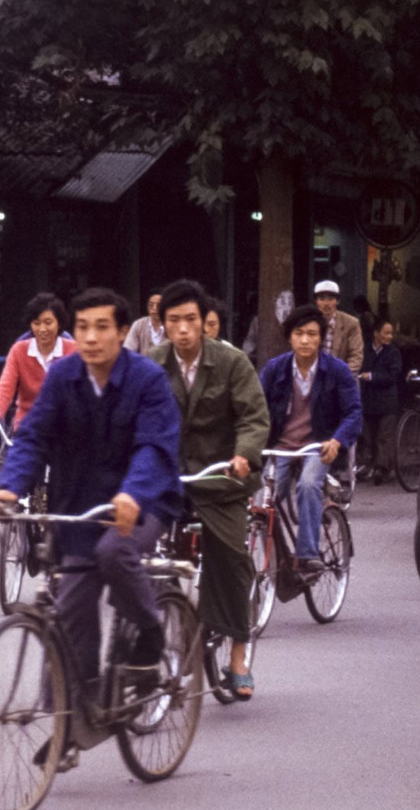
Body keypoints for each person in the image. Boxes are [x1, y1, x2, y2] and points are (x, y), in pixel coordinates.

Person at [0, 288, 183, 714]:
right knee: (73, 601)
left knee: (114, 552)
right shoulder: (63, 376)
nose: (91, 338)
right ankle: (77, 713)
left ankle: (151, 631)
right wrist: (11, 485)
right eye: (83, 328)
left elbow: (155, 446)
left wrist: (133, 492)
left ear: (121, 332)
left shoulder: (146, 379)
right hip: (79, 503)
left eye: (102, 327)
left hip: (145, 500)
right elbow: (35, 434)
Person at [148, 280, 268, 699]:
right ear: (161, 324)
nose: (183, 329)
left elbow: (254, 417)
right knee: (131, 548)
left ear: (204, 324)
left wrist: (243, 455)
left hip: (220, 478)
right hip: (168, 478)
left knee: (232, 556)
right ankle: (147, 640)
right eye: (174, 321)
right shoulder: (151, 363)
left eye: (191, 320)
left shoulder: (232, 362)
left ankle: (238, 650)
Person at [259, 306, 362, 567]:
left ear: (321, 338)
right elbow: (254, 409)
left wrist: (337, 440)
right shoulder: (274, 369)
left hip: (318, 445)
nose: (305, 340)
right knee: (265, 496)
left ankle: (307, 554)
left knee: (307, 485)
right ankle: (270, 555)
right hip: (279, 447)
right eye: (299, 333)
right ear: (289, 337)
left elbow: (353, 412)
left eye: (312, 334)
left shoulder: (336, 370)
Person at [0, 293, 76, 431]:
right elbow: (5, 388)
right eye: (36, 323)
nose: (42, 329)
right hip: (28, 427)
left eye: (48, 322)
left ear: (59, 323)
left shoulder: (74, 351)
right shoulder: (19, 350)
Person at [357, 318, 403, 483]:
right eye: (386, 333)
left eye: (391, 333)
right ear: (376, 333)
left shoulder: (393, 352)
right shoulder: (364, 350)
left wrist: (372, 376)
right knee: (370, 436)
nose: (389, 336)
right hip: (369, 400)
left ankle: (381, 468)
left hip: (387, 401)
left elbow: (394, 375)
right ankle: (372, 464)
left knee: (385, 436)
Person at [312, 280, 364, 372]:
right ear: (316, 301)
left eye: (331, 299)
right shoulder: (310, 321)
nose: (326, 303)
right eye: (322, 299)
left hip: (342, 376)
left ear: (337, 301)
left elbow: (356, 356)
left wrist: (340, 376)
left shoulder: (351, 323)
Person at [121, 288, 164, 352]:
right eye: (151, 305)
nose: (154, 308)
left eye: (158, 305)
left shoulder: (171, 324)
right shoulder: (139, 324)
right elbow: (128, 350)